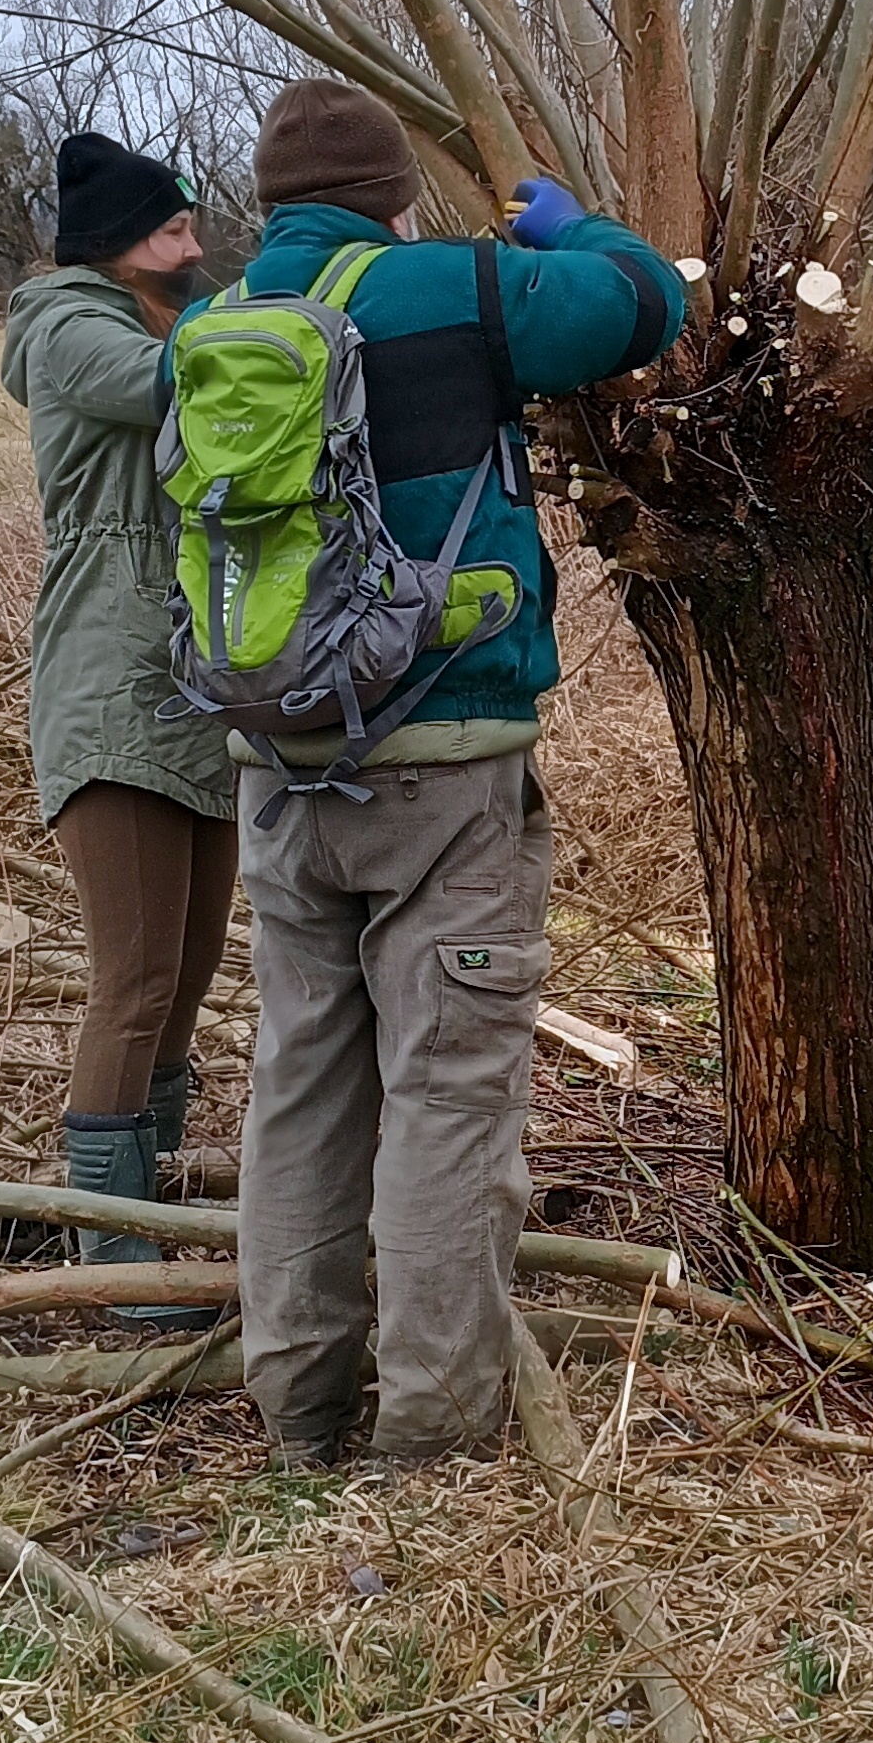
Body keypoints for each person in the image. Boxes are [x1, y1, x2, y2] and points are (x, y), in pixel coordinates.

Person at [206, 81, 685, 1472]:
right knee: (448, 1091)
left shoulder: (224, 320)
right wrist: (575, 224)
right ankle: (429, 1438)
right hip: (443, 764)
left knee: (300, 1083)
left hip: (279, 766)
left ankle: (294, 1408)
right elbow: (641, 304)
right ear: (391, 191)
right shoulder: (450, 287)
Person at [1, 132, 236, 1304]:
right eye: (175, 230)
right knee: (134, 979)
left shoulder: (158, 315)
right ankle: (110, 1252)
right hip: (111, 684)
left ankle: (140, 1202)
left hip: (199, 692)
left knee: (185, 980)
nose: (197, 249)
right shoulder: (68, 327)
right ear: (115, 244)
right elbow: (175, 382)